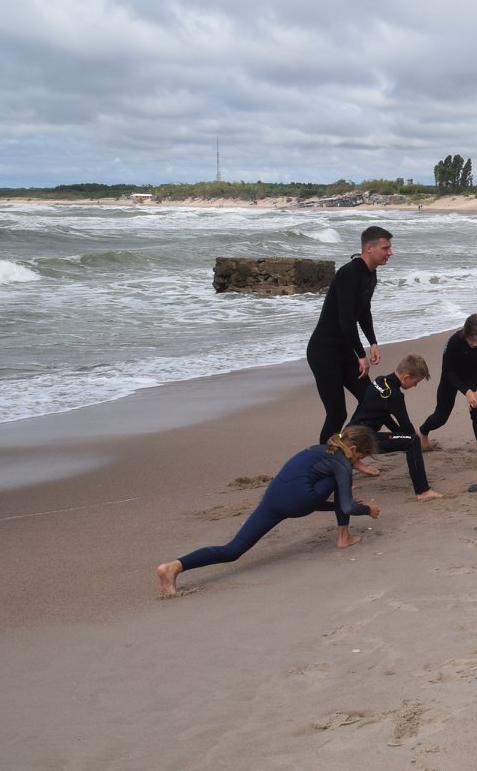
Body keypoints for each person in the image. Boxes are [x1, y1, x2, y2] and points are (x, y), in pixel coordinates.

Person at [155, 427, 381, 595]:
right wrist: (367, 509)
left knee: (232, 550)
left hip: (273, 498)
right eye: (359, 458)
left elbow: (305, 496)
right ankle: (344, 537)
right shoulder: (341, 463)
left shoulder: (317, 449)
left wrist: (339, 504)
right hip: (300, 502)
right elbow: (346, 506)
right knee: (340, 484)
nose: (356, 463)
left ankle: (174, 567)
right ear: (352, 449)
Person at [306, 225, 392, 443]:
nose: (390, 252)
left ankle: (346, 447)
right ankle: (323, 458)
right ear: (369, 248)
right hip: (323, 351)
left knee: (371, 401)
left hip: (344, 350)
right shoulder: (348, 273)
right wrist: (360, 355)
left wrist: (373, 342)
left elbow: (363, 312)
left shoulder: (370, 275)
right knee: (337, 413)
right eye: (385, 248)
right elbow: (345, 319)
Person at [350, 353, 442, 501]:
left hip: (349, 434)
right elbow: (405, 425)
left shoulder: (379, 381)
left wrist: (399, 434)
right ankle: (423, 491)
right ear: (405, 377)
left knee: (406, 438)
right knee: (412, 442)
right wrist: (412, 435)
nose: (415, 385)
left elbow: (384, 415)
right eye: (415, 382)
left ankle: (352, 461)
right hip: (362, 440)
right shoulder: (394, 395)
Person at [418, 314, 477, 469]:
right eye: (472, 340)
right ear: (466, 333)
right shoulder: (454, 341)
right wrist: (466, 391)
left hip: (473, 374)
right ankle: (423, 431)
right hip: (452, 377)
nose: (474, 344)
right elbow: (447, 371)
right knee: (441, 417)